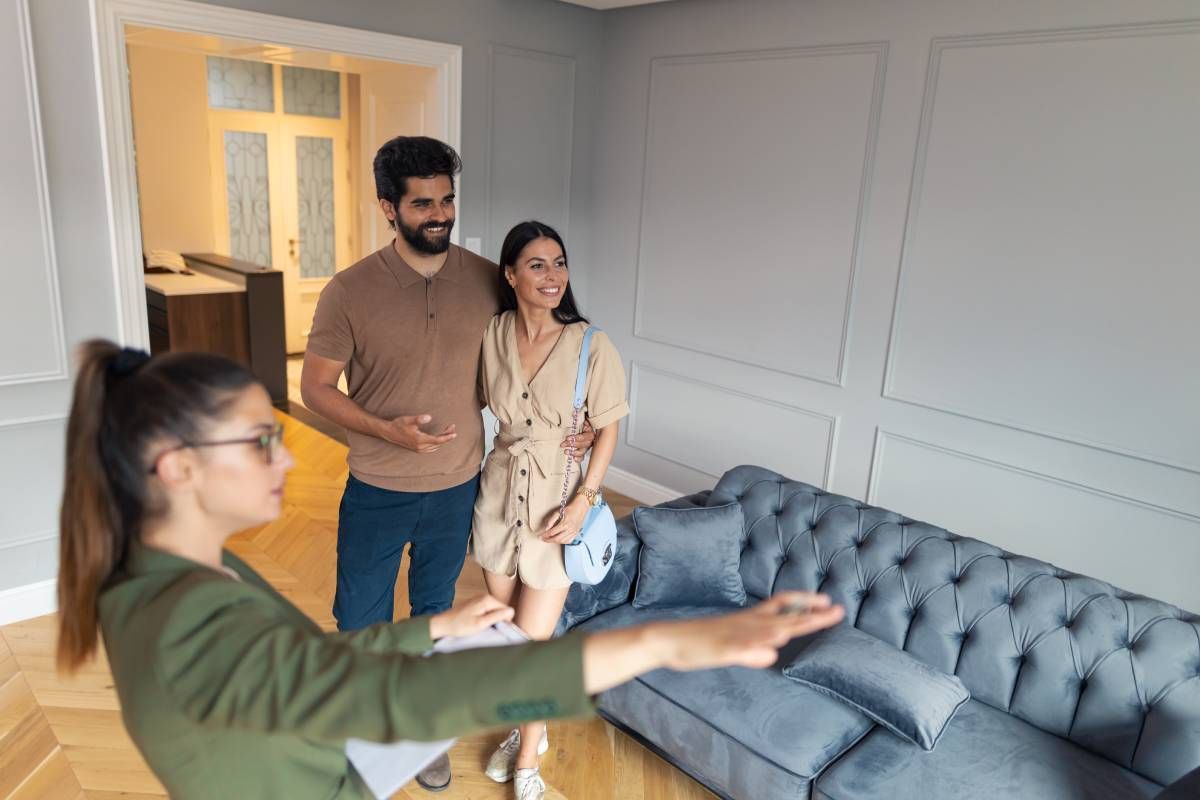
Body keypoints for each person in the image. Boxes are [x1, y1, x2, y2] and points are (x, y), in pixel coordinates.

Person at [56, 340, 845, 800]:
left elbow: (310, 665)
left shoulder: (174, 568)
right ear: (176, 468)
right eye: (259, 439)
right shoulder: (184, 621)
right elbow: (405, 698)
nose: (288, 454)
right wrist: (662, 645)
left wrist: (432, 625)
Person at [300, 137, 591, 789]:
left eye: (447, 199)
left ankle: (419, 732)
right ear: (387, 207)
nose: (439, 213)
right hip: (377, 486)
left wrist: (572, 429)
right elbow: (313, 389)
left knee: (436, 615)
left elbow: (541, 354)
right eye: (422, 202)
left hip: (459, 485)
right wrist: (384, 430)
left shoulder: (490, 278)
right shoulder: (349, 291)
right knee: (360, 620)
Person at [470, 221, 626, 799]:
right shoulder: (493, 333)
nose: (553, 276)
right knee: (506, 635)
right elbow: (492, 409)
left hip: (556, 511)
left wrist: (586, 498)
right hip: (497, 499)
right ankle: (522, 727)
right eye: (537, 264)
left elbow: (608, 431)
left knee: (532, 645)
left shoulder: (591, 343)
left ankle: (529, 759)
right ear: (510, 274)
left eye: (559, 263)